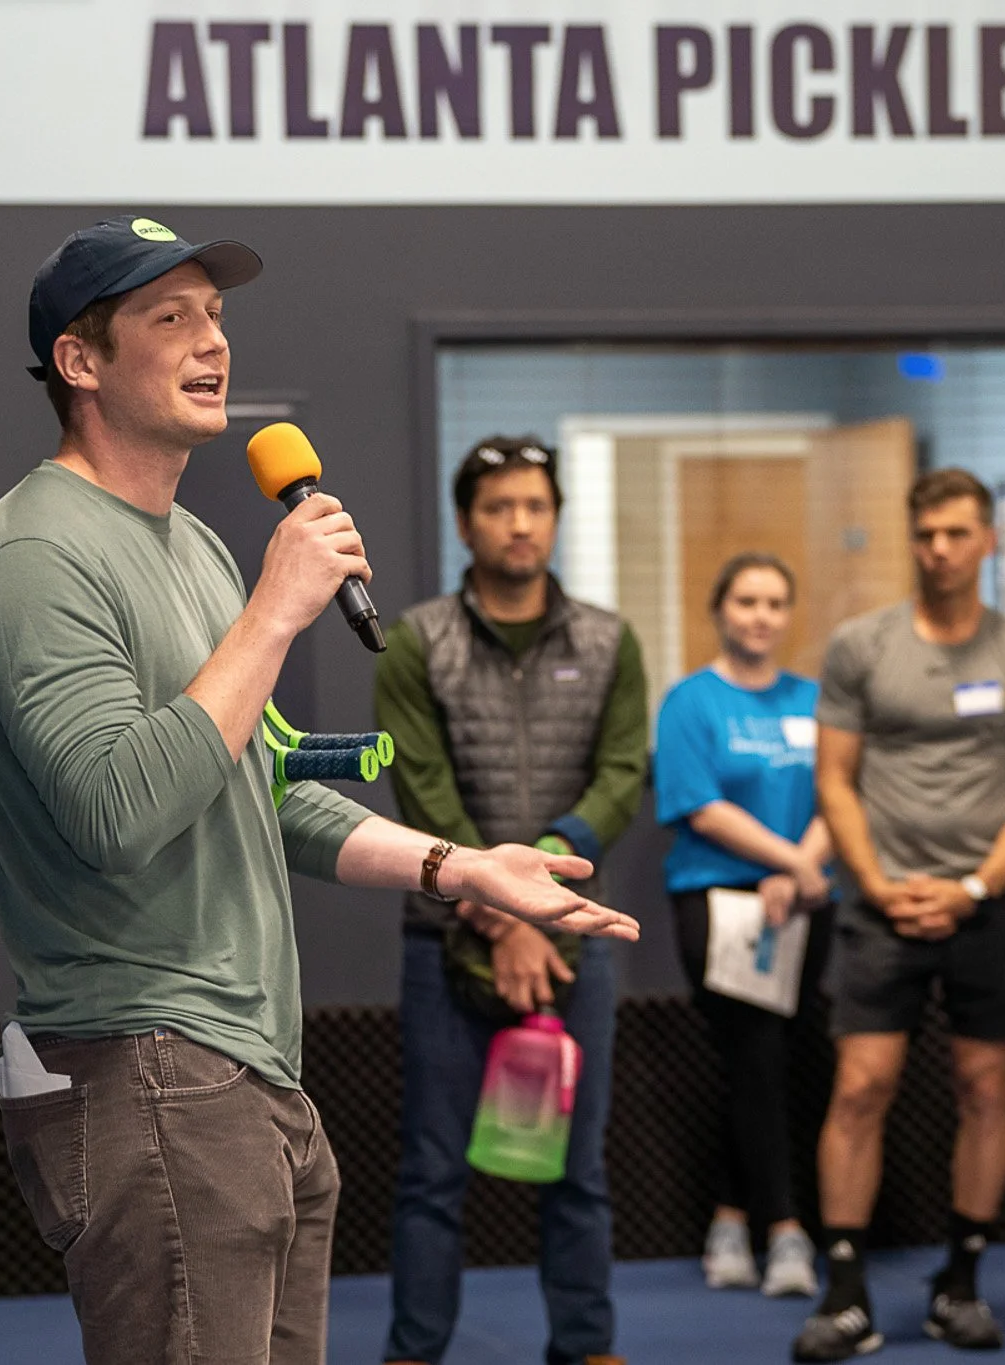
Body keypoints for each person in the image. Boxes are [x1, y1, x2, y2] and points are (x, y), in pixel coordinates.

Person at [0, 218, 636, 1365]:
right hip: (145, 1062)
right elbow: (117, 810)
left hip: (250, 1067)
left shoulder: (199, 549)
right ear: (80, 363)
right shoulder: (35, 555)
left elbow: (255, 780)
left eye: (214, 312)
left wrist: (464, 868)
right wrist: (275, 611)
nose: (211, 339)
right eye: (168, 316)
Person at [374, 434, 649, 1365]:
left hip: (578, 937)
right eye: (498, 506)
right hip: (444, 936)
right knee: (432, 1174)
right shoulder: (415, 642)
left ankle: (587, 1344)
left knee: (580, 1170)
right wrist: (498, 907)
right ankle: (415, 1350)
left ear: (556, 518)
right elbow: (423, 790)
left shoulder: (611, 640)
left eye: (535, 505)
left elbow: (620, 775)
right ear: (465, 522)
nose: (519, 522)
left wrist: (543, 892)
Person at [793, 468, 1005, 1361]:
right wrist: (874, 883)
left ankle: (961, 1281)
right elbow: (834, 777)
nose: (940, 549)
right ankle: (844, 1294)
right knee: (860, 1087)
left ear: (988, 540)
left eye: (957, 533)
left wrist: (975, 887)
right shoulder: (860, 646)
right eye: (926, 534)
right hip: (882, 906)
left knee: (985, 1087)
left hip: (988, 910)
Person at [656, 552, 836, 1299]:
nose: (760, 615)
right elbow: (701, 805)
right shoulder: (691, 702)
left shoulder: (817, 701)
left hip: (803, 898)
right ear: (720, 610)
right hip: (717, 900)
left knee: (770, 1062)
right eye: (746, 600)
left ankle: (729, 1218)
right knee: (755, 1051)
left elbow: (844, 794)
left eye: (774, 602)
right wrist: (790, 862)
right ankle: (786, 1231)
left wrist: (799, 872)